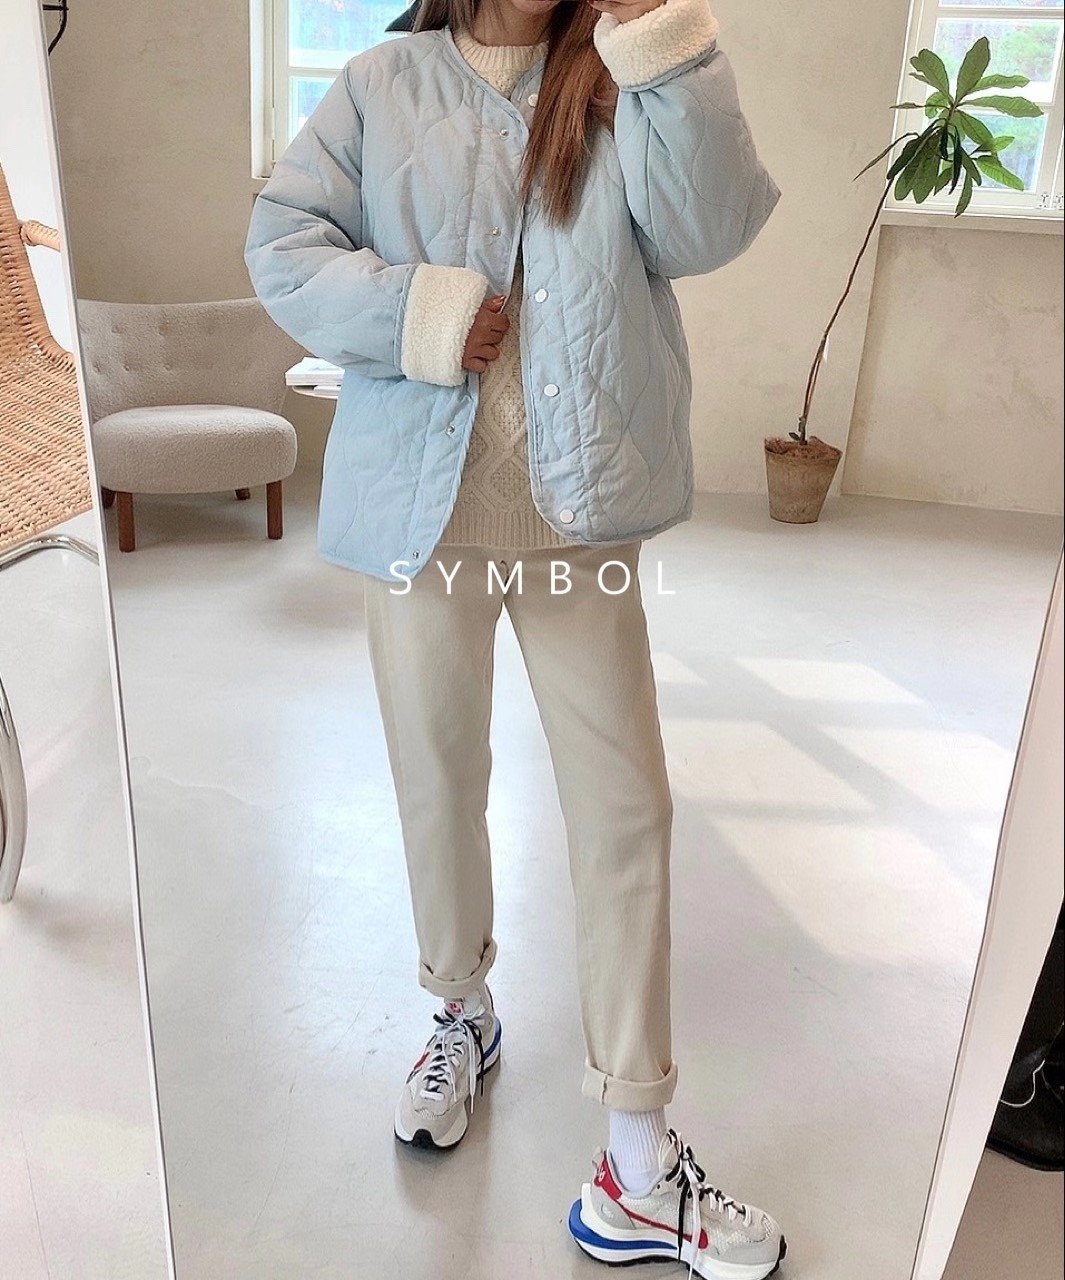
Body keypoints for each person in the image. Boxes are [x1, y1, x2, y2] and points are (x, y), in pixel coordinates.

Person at [245, 0, 783, 1275]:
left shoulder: (619, 74)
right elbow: (283, 243)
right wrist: (422, 315)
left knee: (625, 807)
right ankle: (459, 1009)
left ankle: (635, 1160)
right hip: (420, 512)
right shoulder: (383, 81)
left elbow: (709, 227)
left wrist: (665, 48)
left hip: (580, 512)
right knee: (437, 778)